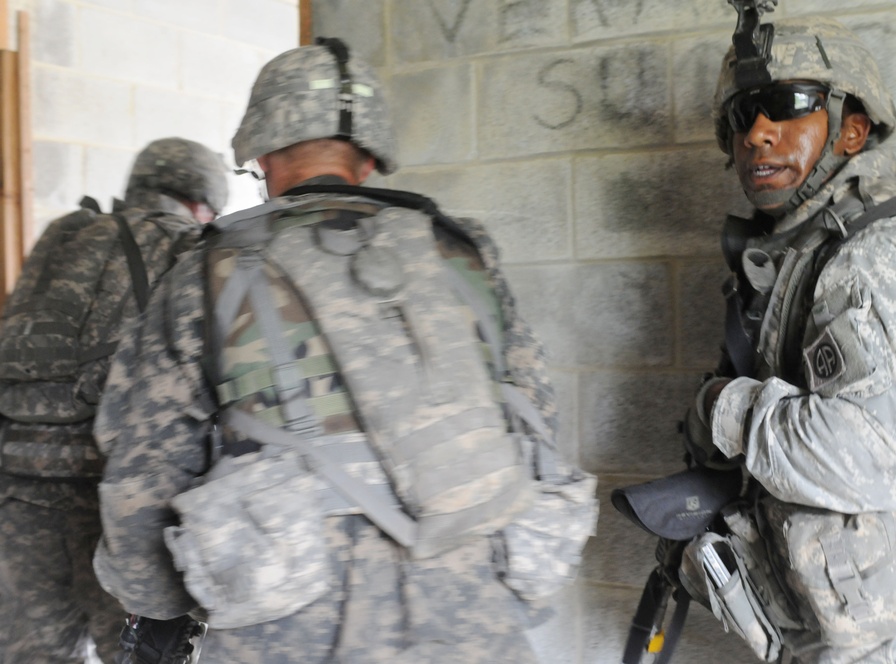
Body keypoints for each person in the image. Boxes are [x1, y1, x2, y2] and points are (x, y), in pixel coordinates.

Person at [92, 39, 595, 664]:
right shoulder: (466, 255)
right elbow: (534, 417)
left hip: (287, 625)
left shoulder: (206, 272)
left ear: (266, 153)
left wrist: (157, 608)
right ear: (368, 160)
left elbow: (142, 479)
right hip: (470, 614)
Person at [680, 8, 896, 664]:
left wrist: (726, 409)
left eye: (787, 106)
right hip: (870, 615)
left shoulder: (880, 253)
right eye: (742, 116)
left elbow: (877, 455)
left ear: (852, 130)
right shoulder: (811, 246)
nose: (758, 134)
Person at [0, 137, 228, 663]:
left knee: (33, 654)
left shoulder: (66, 234)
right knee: (137, 654)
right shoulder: (190, 245)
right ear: (200, 202)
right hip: (114, 503)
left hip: (18, 492)